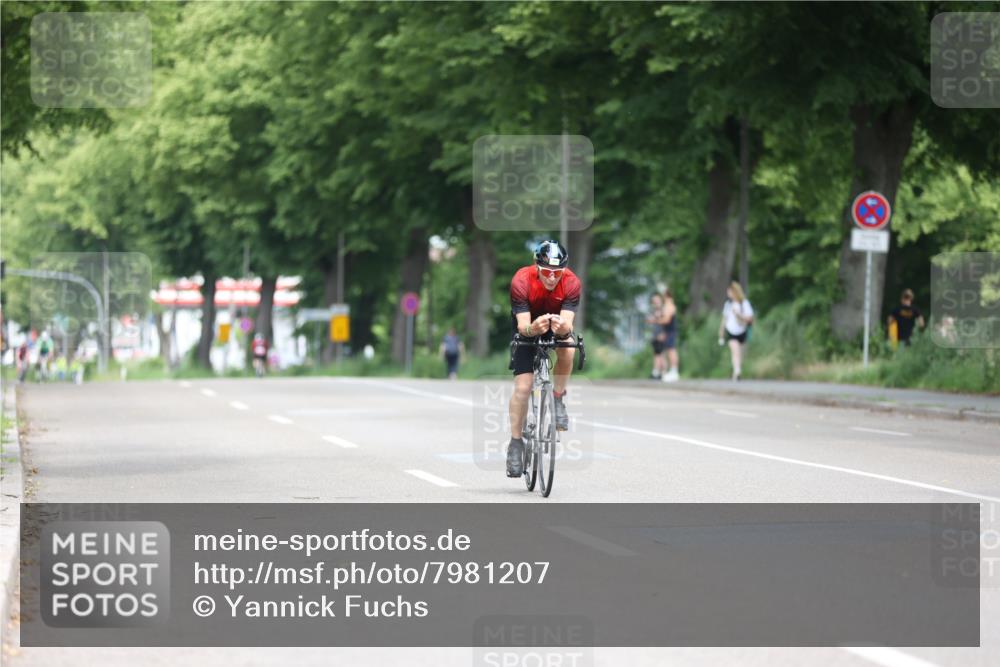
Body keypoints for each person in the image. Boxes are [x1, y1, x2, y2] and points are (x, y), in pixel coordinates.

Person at [506, 240, 581, 478]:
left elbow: (568, 324)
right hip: (527, 325)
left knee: (568, 348)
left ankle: (558, 398)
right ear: (537, 267)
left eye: (557, 273)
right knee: (523, 387)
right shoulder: (521, 280)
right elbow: (522, 326)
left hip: (555, 324)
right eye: (547, 272)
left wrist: (562, 330)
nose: (551, 278)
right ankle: (516, 444)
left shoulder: (571, 283)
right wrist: (532, 329)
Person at [718, 281, 753, 381]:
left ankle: (737, 370)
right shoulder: (728, 304)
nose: (728, 293)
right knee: (735, 351)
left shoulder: (744, 303)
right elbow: (725, 318)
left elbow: (749, 318)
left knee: (740, 353)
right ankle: (737, 371)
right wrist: (721, 330)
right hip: (731, 331)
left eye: (729, 291)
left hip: (742, 331)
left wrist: (738, 314)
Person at [661, 288, 680, 382]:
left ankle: (674, 371)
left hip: (670, 331)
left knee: (671, 350)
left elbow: (667, 320)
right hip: (668, 331)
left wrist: (656, 321)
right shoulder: (668, 305)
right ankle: (671, 371)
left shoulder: (669, 306)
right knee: (669, 351)